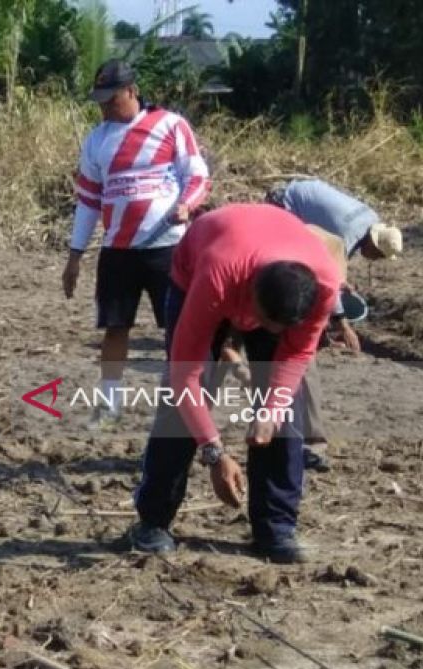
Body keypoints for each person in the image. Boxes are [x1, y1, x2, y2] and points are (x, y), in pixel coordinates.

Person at [127, 204, 341, 564]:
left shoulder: (323, 287)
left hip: (262, 262)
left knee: (285, 409)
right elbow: (185, 377)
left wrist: (270, 410)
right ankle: (153, 521)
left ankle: (276, 528)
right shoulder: (218, 275)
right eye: (259, 318)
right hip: (198, 267)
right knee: (181, 403)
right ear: (252, 294)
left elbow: (295, 357)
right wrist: (214, 453)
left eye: (276, 327)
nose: (258, 328)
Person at [62, 59, 211, 427]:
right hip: (118, 250)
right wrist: (75, 256)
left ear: (131, 91)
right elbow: (88, 200)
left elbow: (197, 176)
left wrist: (186, 206)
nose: (105, 108)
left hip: (167, 246)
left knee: (177, 330)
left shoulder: (171, 126)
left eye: (111, 100)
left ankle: (186, 406)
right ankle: (109, 405)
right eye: (100, 102)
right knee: (115, 327)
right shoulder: (96, 140)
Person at [266, 179, 405, 470]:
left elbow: (332, 262)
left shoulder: (369, 219)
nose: (374, 260)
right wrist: (343, 323)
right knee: (293, 281)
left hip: (298, 194)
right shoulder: (346, 232)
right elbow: (327, 268)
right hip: (285, 205)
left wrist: (340, 284)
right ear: (374, 244)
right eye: (378, 255)